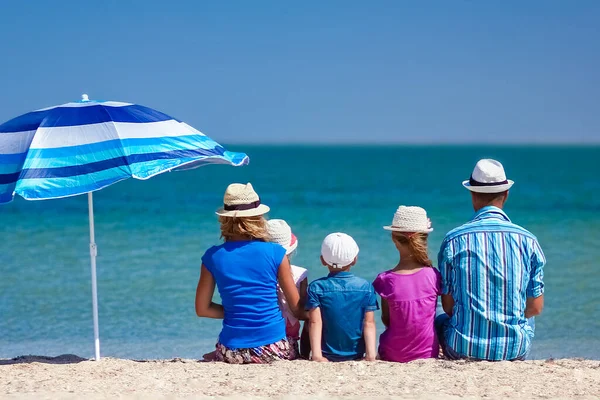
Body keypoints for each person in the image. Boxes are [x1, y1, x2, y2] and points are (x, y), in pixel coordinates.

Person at [436, 159, 546, 361]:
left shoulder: (454, 239)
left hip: (463, 349)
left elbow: (449, 306)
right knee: (527, 319)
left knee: (438, 317)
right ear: (506, 194)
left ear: (472, 194)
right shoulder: (528, 241)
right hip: (514, 351)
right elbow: (535, 308)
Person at [195, 183, 302, 364]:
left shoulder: (212, 256)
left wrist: (235, 311)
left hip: (231, 350)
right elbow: (296, 307)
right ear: (257, 218)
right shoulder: (276, 253)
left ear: (225, 219)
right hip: (272, 347)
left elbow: (202, 309)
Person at [373, 206, 441, 362]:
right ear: (424, 239)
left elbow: (387, 320)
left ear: (394, 239)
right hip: (428, 353)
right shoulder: (434, 275)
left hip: (393, 353)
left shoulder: (386, 280)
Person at [306, 232, 379, 362]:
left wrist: (317, 356)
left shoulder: (316, 287)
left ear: (323, 260)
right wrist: (370, 355)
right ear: (354, 259)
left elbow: (315, 322)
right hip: (356, 354)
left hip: (326, 354)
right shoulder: (365, 287)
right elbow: (369, 323)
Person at [267, 219, 310, 359]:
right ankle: (304, 353)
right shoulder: (300, 275)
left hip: (260, 335)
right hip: (287, 341)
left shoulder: (258, 275)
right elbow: (300, 311)